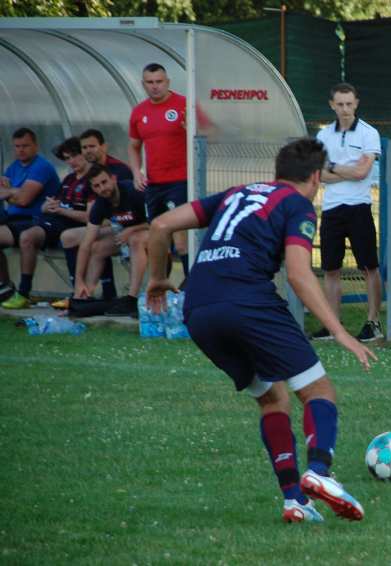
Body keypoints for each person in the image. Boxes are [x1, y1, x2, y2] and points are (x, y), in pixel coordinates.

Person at [145, 138, 376, 523]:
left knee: (272, 398)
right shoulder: (297, 204)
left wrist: (156, 278)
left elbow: (161, 224)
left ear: (278, 171)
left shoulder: (237, 193)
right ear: (316, 177)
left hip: (198, 308)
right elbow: (300, 274)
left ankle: (294, 502)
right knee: (318, 390)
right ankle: (319, 473)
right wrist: (339, 330)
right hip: (247, 301)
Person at [313, 83, 384, 342]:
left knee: (369, 267)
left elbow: (362, 173)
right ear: (332, 105)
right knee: (331, 269)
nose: (345, 109)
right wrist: (345, 169)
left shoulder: (368, 134)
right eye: (340, 104)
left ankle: (373, 322)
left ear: (356, 103)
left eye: (349, 104)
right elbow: (319, 175)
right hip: (331, 210)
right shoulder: (323, 137)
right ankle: (333, 326)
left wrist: (333, 166)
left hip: (359, 208)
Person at [1, 138, 95, 310]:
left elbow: (91, 216)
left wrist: (60, 210)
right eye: (66, 158)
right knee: (27, 236)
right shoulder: (69, 179)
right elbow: (49, 204)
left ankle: (77, 293)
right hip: (52, 221)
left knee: (32, 236)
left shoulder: (94, 179)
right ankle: (17, 291)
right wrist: (48, 206)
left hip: (71, 226)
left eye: (74, 156)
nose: (71, 162)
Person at [60, 128, 135, 307]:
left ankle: (121, 296)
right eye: (84, 147)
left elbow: (131, 208)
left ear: (104, 146)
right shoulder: (90, 173)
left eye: (92, 146)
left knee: (89, 241)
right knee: (76, 238)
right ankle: (81, 291)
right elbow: (95, 211)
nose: (88, 151)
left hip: (126, 223)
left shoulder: (119, 170)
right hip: (106, 223)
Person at [128, 63, 191, 278]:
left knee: (181, 241)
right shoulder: (139, 112)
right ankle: (160, 292)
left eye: (159, 82)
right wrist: (137, 172)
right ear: (143, 84)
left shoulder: (184, 106)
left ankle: (192, 291)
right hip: (154, 184)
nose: (155, 87)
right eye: (150, 82)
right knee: (158, 241)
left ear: (168, 82)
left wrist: (191, 130)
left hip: (181, 181)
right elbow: (134, 146)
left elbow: (208, 134)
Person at [71, 164, 149, 316]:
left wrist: (131, 229)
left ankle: (131, 299)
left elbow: (156, 222)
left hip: (153, 233)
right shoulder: (100, 203)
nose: (102, 188)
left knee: (134, 239)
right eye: (97, 186)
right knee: (96, 248)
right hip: (126, 236)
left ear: (113, 179)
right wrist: (78, 280)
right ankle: (86, 294)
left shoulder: (134, 192)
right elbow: (86, 244)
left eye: (104, 182)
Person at [0, 127, 62, 304]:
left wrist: (10, 192)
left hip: (34, 220)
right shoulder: (14, 166)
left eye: (25, 146)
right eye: (17, 146)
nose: (20, 150)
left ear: (35, 145)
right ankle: (4, 286)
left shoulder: (41, 167)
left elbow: (25, 200)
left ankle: (15, 289)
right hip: (12, 218)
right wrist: (14, 192)